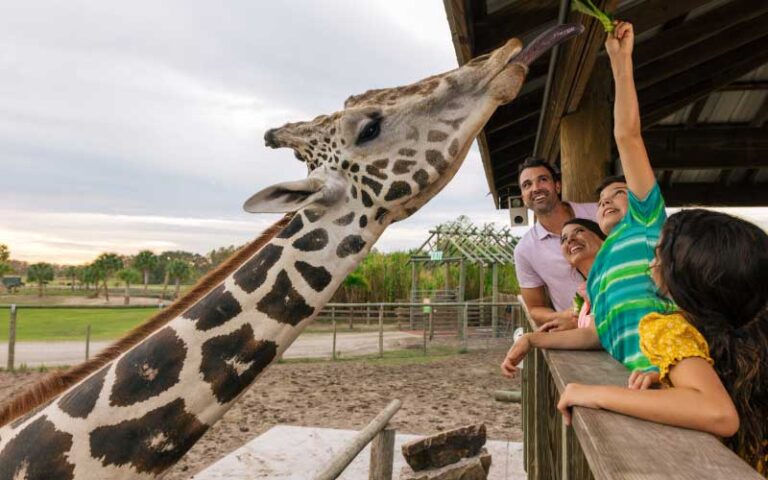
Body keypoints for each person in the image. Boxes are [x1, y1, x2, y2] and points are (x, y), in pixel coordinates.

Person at [501, 20, 674, 378]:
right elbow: (595, 332)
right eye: (601, 199)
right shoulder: (600, 273)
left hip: (672, 367)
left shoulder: (644, 223)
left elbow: (627, 136)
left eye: (619, 194)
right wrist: (533, 340)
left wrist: (620, 63)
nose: (607, 201)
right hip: (633, 374)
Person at [557, 209, 768, 476]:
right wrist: (671, 374)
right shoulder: (753, 324)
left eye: (657, 255)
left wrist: (591, 393)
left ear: (682, 271)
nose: (651, 265)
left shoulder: (667, 328)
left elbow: (719, 413)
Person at [514, 158, 598, 330]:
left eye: (543, 179)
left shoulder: (597, 212)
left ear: (557, 186)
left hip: (624, 318)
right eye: (527, 185)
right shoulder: (524, 250)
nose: (536, 188)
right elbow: (535, 309)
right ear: (523, 197)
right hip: (580, 335)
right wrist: (568, 315)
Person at [545, 218, 605, 332]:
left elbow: (596, 334)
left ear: (603, 239)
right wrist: (576, 325)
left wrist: (531, 339)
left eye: (579, 231)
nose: (570, 240)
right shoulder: (585, 295)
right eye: (564, 239)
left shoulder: (615, 281)